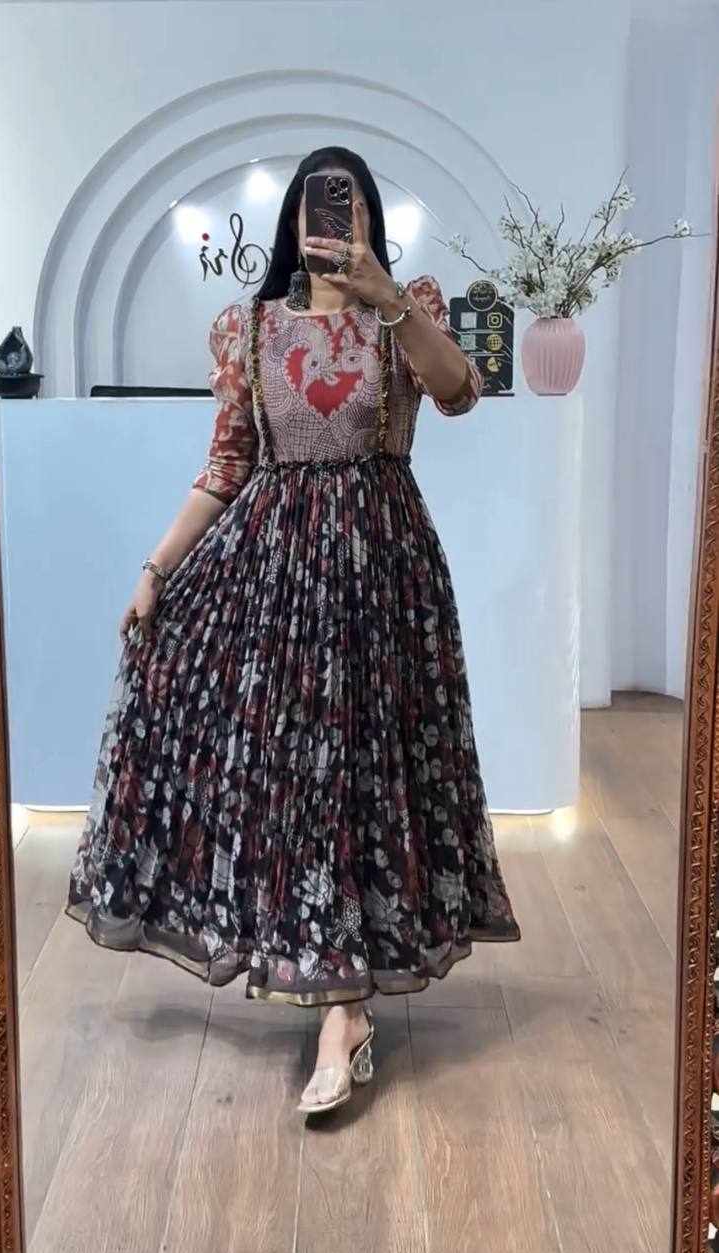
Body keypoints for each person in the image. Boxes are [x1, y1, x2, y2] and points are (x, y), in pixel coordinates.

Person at [65, 145, 521, 1116]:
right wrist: (155, 570)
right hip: (277, 576)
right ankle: (331, 989)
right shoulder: (250, 327)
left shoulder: (405, 308)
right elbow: (225, 466)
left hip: (385, 574)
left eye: (348, 206)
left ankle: (341, 1011)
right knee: (299, 773)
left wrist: (383, 294)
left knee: (368, 769)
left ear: (369, 222)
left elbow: (458, 392)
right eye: (319, 207)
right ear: (293, 225)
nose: (332, 223)